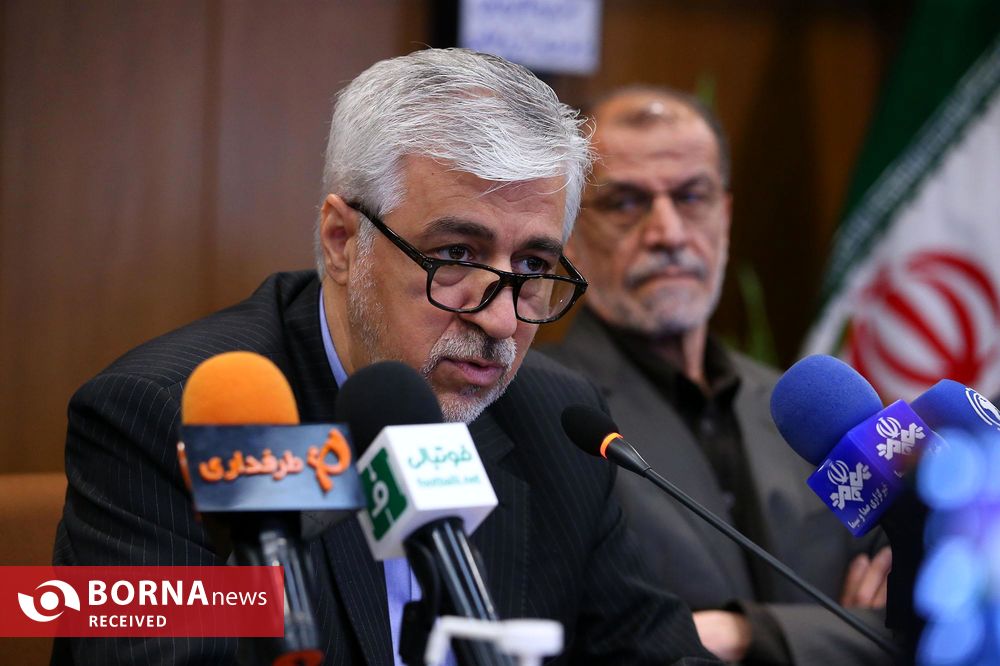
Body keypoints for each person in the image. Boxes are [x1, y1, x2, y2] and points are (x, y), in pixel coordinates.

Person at [52, 51, 718, 665]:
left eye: (533, 266)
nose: (500, 319)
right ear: (343, 241)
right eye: (456, 255)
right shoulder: (171, 417)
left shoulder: (552, 417)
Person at [541, 86, 893, 664]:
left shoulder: (811, 408)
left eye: (692, 196)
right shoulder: (544, 410)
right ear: (570, 232)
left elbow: (916, 621)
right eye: (625, 202)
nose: (668, 233)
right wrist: (835, 634)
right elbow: (583, 641)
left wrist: (744, 633)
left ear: (725, 215)